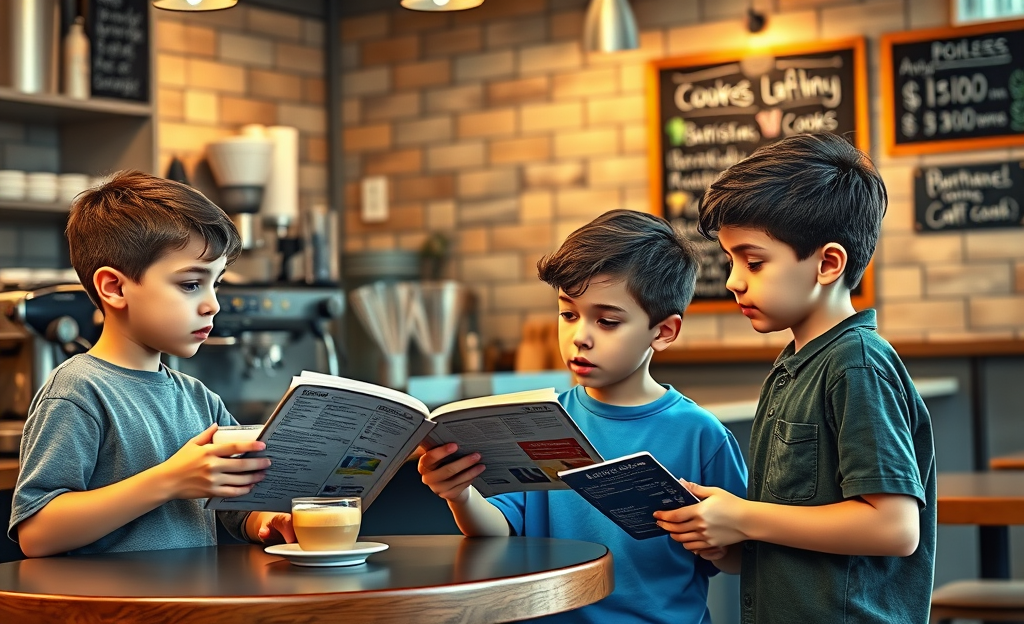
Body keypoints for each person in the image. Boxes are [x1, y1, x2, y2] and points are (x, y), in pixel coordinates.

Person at [656, 133, 936, 624]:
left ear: (828, 264)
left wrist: (742, 516)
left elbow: (894, 527)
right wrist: (722, 535)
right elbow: (788, 531)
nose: (733, 281)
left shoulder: (856, 364)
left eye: (754, 261)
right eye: (731, 260)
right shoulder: (795, 365)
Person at [418, 209, 748, 624]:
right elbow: (499, 531)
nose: (580, 337)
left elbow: (740, 558)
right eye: (568, 314)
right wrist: (461, 495)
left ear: (663, 332)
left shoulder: (701, 434)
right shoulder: (538, 419)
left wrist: (716, 542)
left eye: (607, 321)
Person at [9, 170, 296, 557]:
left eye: (217, 283)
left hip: (188, 606)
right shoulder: (78, 391)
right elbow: (38, 532)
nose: (213, 303)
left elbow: (233, 505)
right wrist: (171, 480)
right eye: (191, 284)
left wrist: (264, 520)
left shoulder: (200, 398)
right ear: (114, 287)